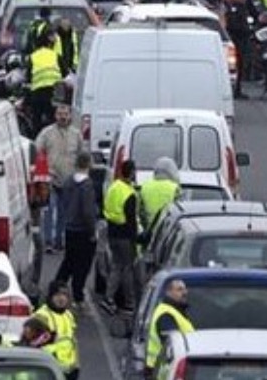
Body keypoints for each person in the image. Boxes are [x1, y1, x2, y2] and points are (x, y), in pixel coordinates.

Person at [35, 104, 87, 254]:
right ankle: (48, 242)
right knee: (49, 211)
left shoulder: (76, 134)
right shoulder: (47, 133)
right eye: (59, 114)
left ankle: (59, 241)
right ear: (55, 115)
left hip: (69, 181)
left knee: (65, 213)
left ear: (70, 116)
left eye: (65, 114)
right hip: (51, 179)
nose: (62, 117)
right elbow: (37, 150)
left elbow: (82, 156)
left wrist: (82, 175)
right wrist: (41, 171)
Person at [53, 152, 98, 304]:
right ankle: (78, 295)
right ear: (88, 164)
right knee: (83, 265)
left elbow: (64, 202)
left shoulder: (68, 182)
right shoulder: (87, 185)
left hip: (70, 228)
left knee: (69, 261)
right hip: (83, 230)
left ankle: (56, 287)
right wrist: (92, 231)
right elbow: (88, 211)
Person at [101, 159, 140, 315]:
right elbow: (131, 221)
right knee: (127, 269)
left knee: (116, 267)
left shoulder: (114, 187)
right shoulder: (130, 194)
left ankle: (108, 298)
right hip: (125, 236)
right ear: (131, 173)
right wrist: (135, 241)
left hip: (112, 233)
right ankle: (129, 303)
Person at [144, 277, 194, 379]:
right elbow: (174, 345)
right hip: (162, 371)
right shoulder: (166, 314)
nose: (185, 292)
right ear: (169, 292)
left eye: (184, 289)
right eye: (179, 289)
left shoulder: (176, 311)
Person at [31, 283, 79, 380]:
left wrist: (76, 366)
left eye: (64, 295)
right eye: (57, 295)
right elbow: (33, 344)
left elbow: (72, 342)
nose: (61, 298)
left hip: (68, 370)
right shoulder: (42, 316)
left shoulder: (68, 315)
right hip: (48, 370)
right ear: (50, 296)